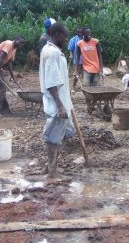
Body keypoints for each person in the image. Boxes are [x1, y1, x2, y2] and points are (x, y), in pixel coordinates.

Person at [39, 22, 75, 181]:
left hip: (62, 103)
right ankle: (52, 172)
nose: (66, 39)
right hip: (57, 105)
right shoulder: (52, 53)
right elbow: (52, 83)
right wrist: (60, 106)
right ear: (57, 35)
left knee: (68, 133)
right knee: (53, 139)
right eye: (65, 36)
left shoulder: (49, 50)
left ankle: (50, 166)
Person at [0, 36, 25, 116]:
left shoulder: (14, 49)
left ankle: (1, 108)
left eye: (22, 43)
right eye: (20, 42)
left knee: (1, 88)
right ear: (16, 39)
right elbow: (1, 58)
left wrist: (13, 76)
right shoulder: (8, 44)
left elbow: (9, 63)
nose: (21, 45)